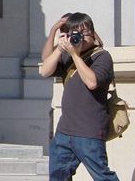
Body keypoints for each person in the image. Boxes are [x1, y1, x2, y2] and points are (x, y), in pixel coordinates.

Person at [40, 12, 119, 181]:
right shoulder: (66, 54)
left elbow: (92, 82)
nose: (80, 37)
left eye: (84, 32)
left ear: (92, 33)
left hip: (88, 130)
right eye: (74, 33)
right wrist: (60, 48)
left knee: (103, 176)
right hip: (64, 131)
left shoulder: (101, 56)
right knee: (58, 177)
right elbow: (44, 70)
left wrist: (75, 55)